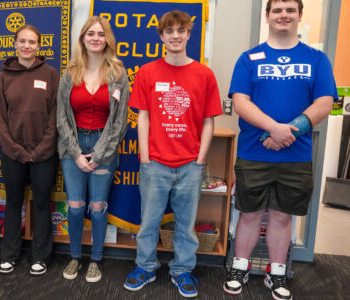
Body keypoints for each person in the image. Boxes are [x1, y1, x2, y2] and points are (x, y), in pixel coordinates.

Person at [223, 1, 337, 299]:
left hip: (295, 155)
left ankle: (276, 272)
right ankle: (240, 266)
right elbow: (241, 101)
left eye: (290, 10)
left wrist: (288, 131)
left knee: (283, 216)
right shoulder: (249, 58)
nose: (283, 15)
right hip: (254, 151)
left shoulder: (316, 58)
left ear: (299, 15)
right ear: (267, 16)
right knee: (249, 214)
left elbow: (324, 102)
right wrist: (274, 128)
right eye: (277, 10)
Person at [123, 10, 222, 298]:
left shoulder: (204, 74)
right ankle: (145, 266)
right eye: (170, 31)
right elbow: (143, 116)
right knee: (149, 222)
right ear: (161, 36)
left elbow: (208, 120)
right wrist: (144, 156)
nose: (176, 36)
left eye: (181, 31)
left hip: (190, 164)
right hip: (155, 163)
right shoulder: (148, 72)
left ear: (189, 35)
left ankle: (182, 270)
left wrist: (200, 160)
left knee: (186, 225)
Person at [57, 16, 129, 283]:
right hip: (72, 147)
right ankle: (75, 257)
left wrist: (97, 155)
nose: (96, 38)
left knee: (97, 207)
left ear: (107, 39)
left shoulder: (118, 74)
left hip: (104, 146)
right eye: (90, 34)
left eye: (101, 34)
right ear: (83, 39)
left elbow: (119, 123)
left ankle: (96, 260)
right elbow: (61, 118)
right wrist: (76, 153)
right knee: (75, 206)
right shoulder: (70, 73)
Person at [0, 24, 59, 276]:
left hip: (44, 153)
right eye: (22, 41)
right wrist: (16, 150)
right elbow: (0, 118)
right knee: (13, 203)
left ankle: (41, 257)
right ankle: (9, 255)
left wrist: (44, 147)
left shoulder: (51, 74)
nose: (26, 46)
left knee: (42, 204)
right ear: (15, 44)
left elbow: (56, 115)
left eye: (32, 42)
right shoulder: (3, 76)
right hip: (13, 153)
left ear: (39, 46)